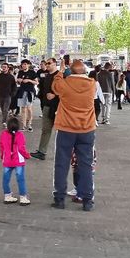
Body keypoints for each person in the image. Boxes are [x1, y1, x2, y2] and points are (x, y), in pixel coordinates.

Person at [49, 60, 97, 211]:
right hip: (87, 129)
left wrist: (61, 71)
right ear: (84, 71)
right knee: (86, 164)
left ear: (71, 71)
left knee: (62, 163)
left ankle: (60, 198)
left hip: (66, 128)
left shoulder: (64, 83)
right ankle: (87, 199)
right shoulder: (92, 84)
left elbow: (55, 87)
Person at [0, 116, 32, 205]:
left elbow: (1, 146)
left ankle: (7, 195)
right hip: (18, 160)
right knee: (20, 179)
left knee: (6, 179)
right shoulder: (20, 135)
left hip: (7, 160)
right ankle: (23, 197)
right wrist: (27, 156)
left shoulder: (3, 134)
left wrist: (2, 156)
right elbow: (21, 149)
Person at [34, 58, 60, 159]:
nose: (47, 65)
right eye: (46, 63)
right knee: (46, 129)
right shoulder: (47, 76)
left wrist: (55, 94)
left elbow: (65, 90)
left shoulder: (59, 76)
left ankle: (62, 153)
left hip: (57, 107)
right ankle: (42, 151)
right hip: (46, 106)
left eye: (49, 63)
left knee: (61, 131)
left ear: (55, 64)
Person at [15, 59, 38, 131]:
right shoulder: (20, 72)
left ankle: (29, 123)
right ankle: (24, 125)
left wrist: (29, 80)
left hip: (30, 92)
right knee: (23, 109)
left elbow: (37, 83)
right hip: (22, 92)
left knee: (29, 108)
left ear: (28, 65)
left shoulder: (32, 72)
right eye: (22, 64)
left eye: (25, 64)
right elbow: (18, 81)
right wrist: (19, 80)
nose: (23, 65)